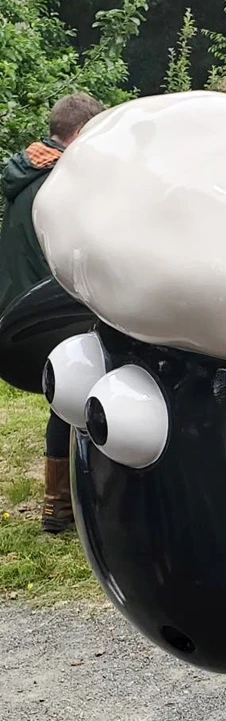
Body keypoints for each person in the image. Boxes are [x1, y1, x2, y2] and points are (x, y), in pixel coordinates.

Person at [0, 93, 105, 533]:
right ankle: (78, 505)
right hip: (51, 305)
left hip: (17, 312)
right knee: (82, 392)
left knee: (67, 400)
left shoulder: (26, 176)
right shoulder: (64, 181)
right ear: (80, 133)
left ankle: (58, 505)